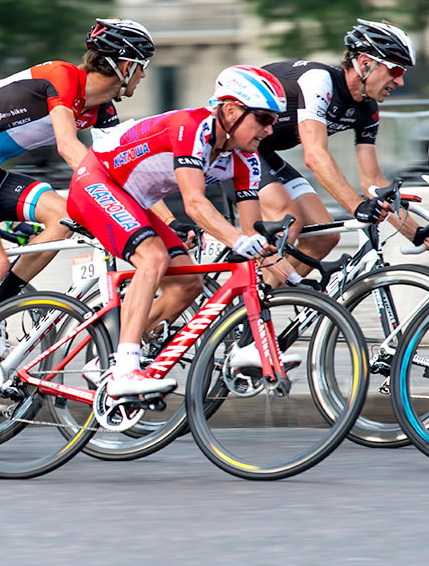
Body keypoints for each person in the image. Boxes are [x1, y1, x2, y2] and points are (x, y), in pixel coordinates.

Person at [0, 19, 155, 411]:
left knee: (64, 215)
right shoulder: (63, 77)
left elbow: (125, 169)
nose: (144, 75)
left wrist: (161, 220)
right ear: (123, 65)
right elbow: (69, 147)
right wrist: (108, 203)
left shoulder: (102, 110)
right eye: (142, 65)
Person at [54, 66, 282, 404]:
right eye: (263, 117)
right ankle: (124, 370)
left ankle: (110, 356)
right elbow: (194, 203)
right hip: (96, 181)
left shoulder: (245, 159)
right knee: (154, 257)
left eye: (273, 121)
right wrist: (237, 241)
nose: (269, 128)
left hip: (134, 200)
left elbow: (253, 233)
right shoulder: (193, 127)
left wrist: (289, 275)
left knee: (187, 285)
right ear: (231, 110)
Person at [256, 20, 419, 273]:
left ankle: (263, 299)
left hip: (263, 151)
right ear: (365, 63)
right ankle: (246, 302)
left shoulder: (367, 110)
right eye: (396, 71)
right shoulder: (319, 81)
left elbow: (372, 182)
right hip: (232, 150)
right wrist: (357, 206)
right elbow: (314, 154)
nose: (399, 83)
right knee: (287, 222)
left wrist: (417, 233)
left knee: (325, 237)